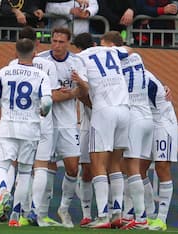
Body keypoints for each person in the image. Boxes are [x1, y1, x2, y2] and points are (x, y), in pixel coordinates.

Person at [0, 38, 53, 227]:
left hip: (8, 126)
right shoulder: (41, 75)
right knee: (25, 172)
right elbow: (47, 102)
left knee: (2, 165)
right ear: (34, 53)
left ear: (15, 53)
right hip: (30, 128)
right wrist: (43, 111)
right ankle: (15, 216)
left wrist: (6, 105)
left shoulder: (4, 71)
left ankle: (3, 191)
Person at [75, 32, 131, 229]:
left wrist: (79, 84)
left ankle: (102, 216)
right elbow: (129, 50)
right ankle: (117, 212)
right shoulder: (112, 51)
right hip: (124, 109)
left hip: (104, 110)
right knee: (116, 162)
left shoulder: (80, 57)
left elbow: (83, 86)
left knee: (97, 162)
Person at [7, 26, 61, 227]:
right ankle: (35, 211)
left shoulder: (12, 65)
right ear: (37, 44)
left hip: (22, 120)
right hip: (44, 119)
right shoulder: (48, 65)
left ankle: (17, 209)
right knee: (41, 167)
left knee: (21, 167)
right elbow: (53, 96)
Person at [100, 31, 152, 230]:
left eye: (104, 47)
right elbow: (129, 50)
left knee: (131, 168)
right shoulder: (136, 56)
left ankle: (141, 218)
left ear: (113, 46)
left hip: (134, 117)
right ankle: (136, 215)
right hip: (147, 116)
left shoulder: (114, 62)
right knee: (135, 169)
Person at [38, 27, 89, 228]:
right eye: (54, 41)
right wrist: (72, 93)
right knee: (47, 165)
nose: (57, 45)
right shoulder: (42, 61)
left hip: (68, 122)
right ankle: (42, 212)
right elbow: (49, 96)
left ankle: (64, 208)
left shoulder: (77, 62)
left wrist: (80, 85)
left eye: (61, 42)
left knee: (72, 167)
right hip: (47, 121)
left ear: (68, 43)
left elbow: (85, 90)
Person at [139, 70, 178, 231]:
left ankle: (161, 219)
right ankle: (150, 215)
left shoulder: (139, 74)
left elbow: (153, 83)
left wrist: (163, 88)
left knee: (162, 166)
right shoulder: (118, 75)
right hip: (146, 121)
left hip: (162, 121)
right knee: (138, 169)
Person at [71, 33, 96, 227]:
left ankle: (115, 212)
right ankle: (87, 214)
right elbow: (81, 94)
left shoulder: (98, 64)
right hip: (88, 122)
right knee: (86, 169)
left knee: (113, 168)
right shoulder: (78, 66)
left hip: (106, 120)